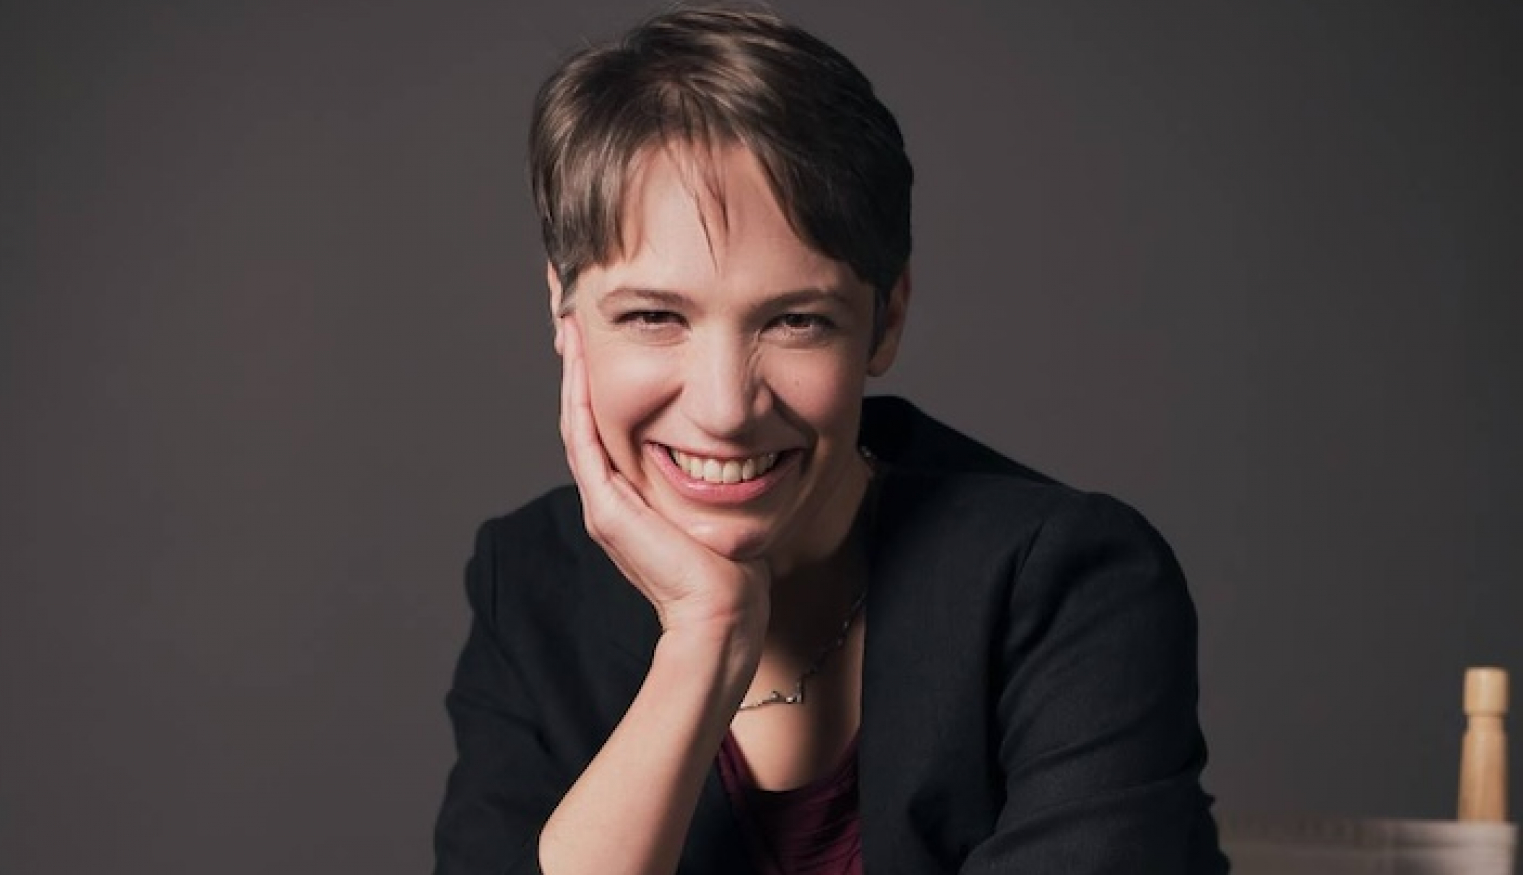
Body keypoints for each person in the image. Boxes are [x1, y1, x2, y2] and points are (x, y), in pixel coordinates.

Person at [435, 5, 1228, 874]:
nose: (725, 407)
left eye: (797, 320)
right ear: (564, 307)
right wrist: (707, 636)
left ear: (886, 319)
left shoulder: (1067, 585)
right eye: (655, 316)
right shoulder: (530, 585)